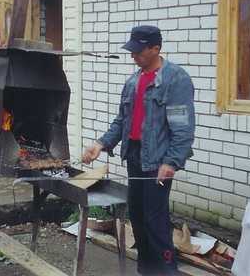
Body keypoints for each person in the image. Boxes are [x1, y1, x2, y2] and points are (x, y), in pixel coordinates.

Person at [82, 25, 195, 275]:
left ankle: (166, 270)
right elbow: (122, 121)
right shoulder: (133, 81)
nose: (133, 56)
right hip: (134, 155)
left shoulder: (176, 80)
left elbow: (183, 128)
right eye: (132, 50)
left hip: (158, 160)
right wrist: (101, 144)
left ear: (156, 48)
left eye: (138, 51)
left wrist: (172, 162)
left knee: (155, 220)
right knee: (139, 217)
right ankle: (146, 270)